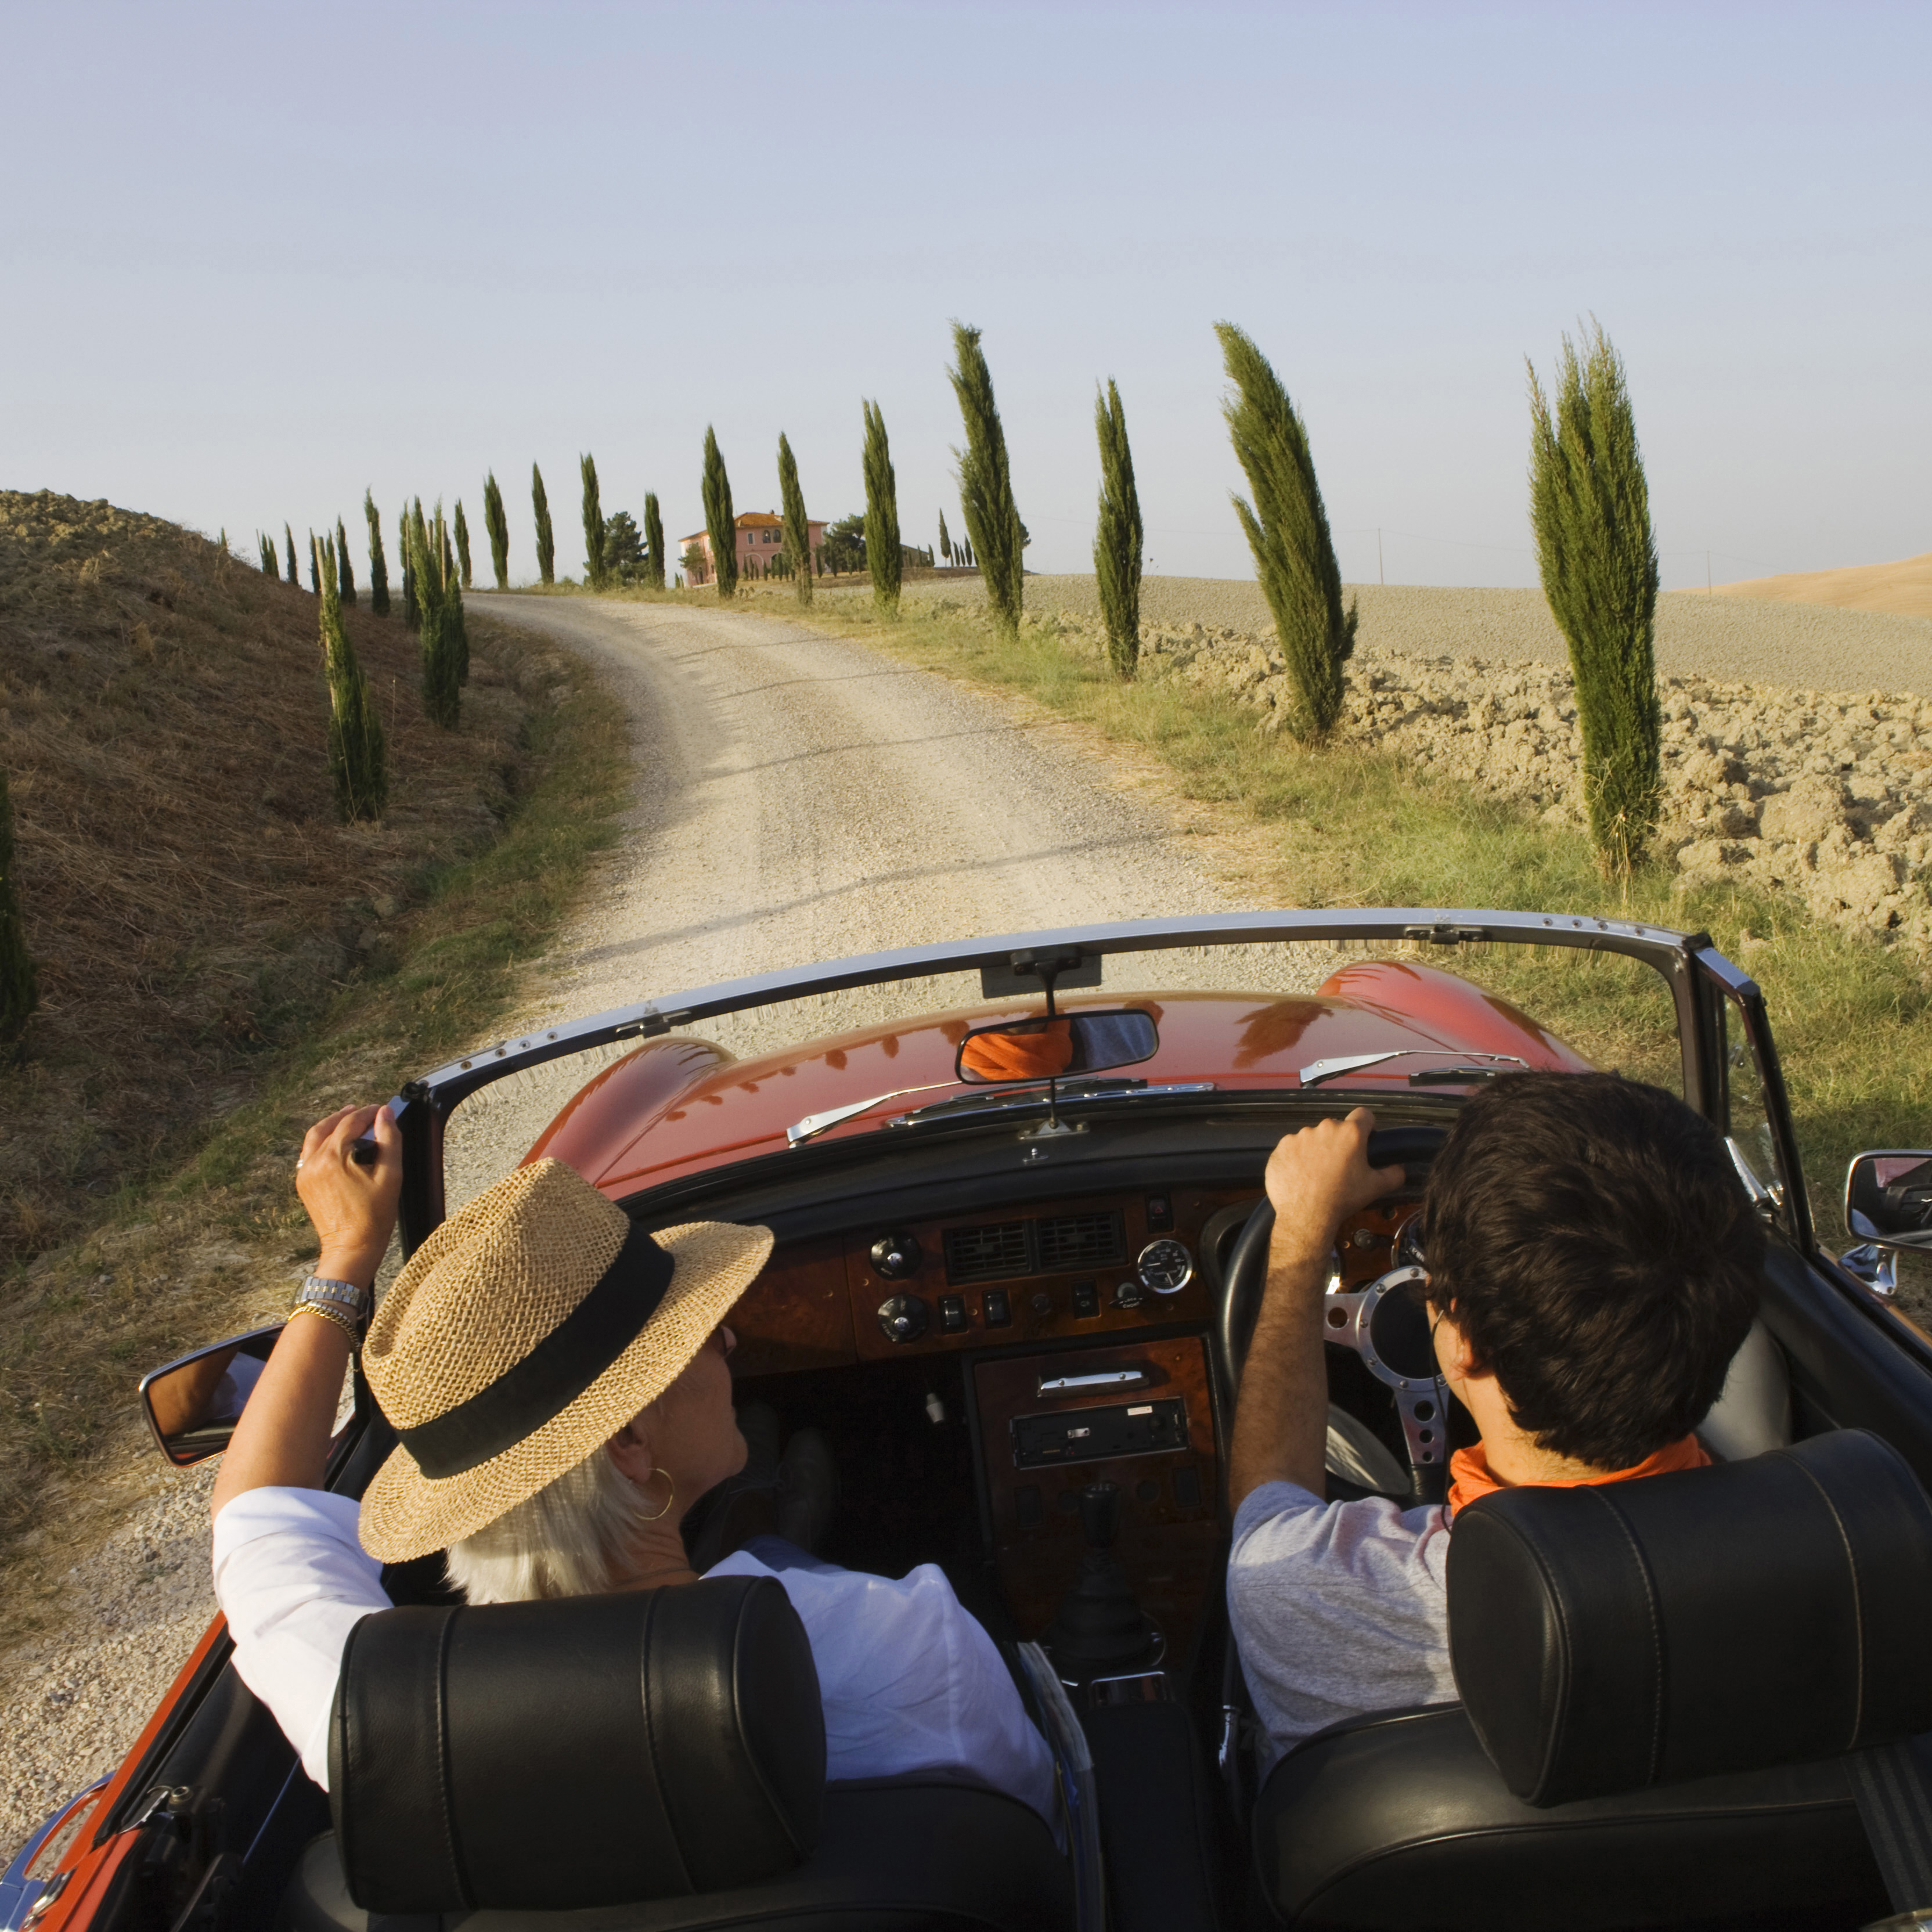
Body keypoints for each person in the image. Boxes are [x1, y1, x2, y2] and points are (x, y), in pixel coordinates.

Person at [211, 1103, 1057, 1824]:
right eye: (686, 1340)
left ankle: (763, 1524)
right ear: (627, 1442)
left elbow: (256, 1529)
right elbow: (1043, 1824)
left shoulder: (370, 1720)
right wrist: (348, 1252)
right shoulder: (904, 1645)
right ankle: (771, 1533)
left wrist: (344, 1260)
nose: (727, 1339)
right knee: (782, 1560)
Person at [1227, 1072, 1765, 1769]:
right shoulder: (1844, 1552)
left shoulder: (1300, 1590)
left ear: (1464, 1343)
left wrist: (1301, 1235)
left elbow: (1265, 1504)